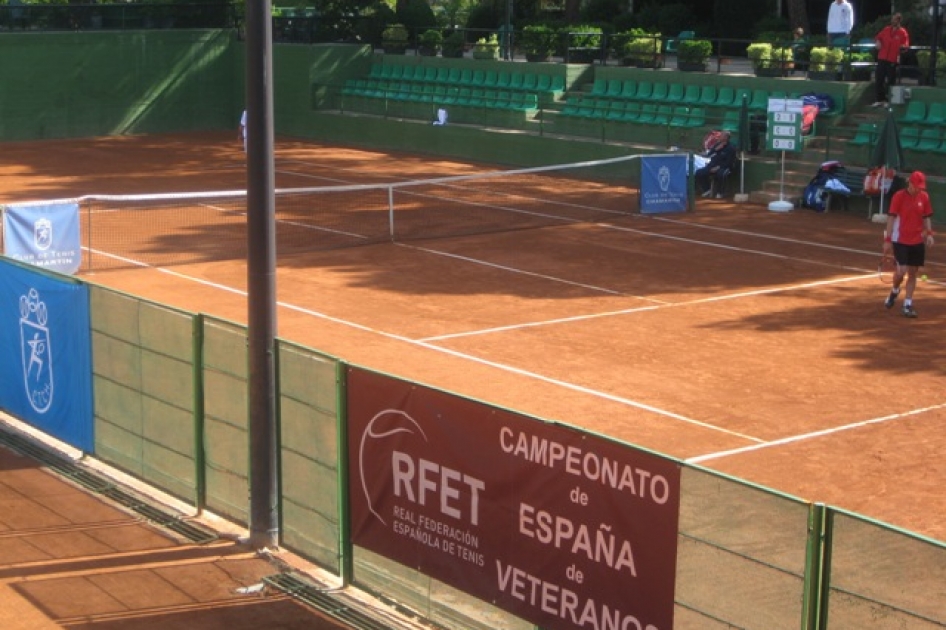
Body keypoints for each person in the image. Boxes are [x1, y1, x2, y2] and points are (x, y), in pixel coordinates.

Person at [883, 171, 934, 318]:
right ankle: (894, 290)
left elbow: (926, 217)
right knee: (901, 270)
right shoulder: (898, 196)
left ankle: (907, 304)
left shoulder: (924, 197)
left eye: (921, 186)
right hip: (900, 240)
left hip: (917, 240)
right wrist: (887, 240)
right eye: (917, 186)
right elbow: (891, 219)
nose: (919, 189)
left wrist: (929, 234)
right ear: (910, 183)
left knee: (913, 273)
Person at [872, 13, 910, 108]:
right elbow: (878, 37)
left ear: (899, 21)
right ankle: (879, 100)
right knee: (879, 79)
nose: (893, 21)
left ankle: (889, 100)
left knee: (891, 80)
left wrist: (902, 47)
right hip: (882, 57)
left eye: (895, 20)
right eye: (892, 19)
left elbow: (906, 45)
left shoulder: (903, 32)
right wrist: (878, 42)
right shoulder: (886, 29)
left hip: (892, 59)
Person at [695, 131, 736, 199]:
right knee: (699, 172)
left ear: (726, 137)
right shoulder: (717, 145)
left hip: (724, 167)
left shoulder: (731, 148)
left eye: (722, 135)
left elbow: (729, 162)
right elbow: (709, 155)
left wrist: (718, 167)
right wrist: (715, 149)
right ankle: (707, 190)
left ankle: (721, 192)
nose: (720, 136)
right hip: (712, 165)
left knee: (721, 174)